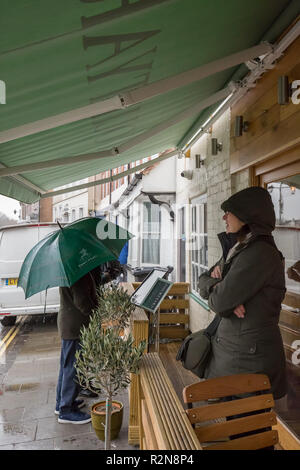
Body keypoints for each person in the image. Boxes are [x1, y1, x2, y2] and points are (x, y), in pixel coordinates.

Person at [198, 186, 287, 402]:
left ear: (248, 216)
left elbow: (219, 302)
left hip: (248, 361)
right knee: (236, 429)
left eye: (230, 212)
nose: (224, 217)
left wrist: (222, 292)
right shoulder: (238, 248)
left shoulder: (259, 253)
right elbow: (202, 281)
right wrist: (217, 284)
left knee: (249, 428)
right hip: (233, 357)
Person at [55, 271, 97, 424]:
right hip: (75, 326)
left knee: (66, 366)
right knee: (73, 367)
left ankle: (61, 404)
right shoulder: (78, 272)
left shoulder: (68, 269)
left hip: (68, 323)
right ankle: (66, 410)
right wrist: (96, 312)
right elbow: (82, 302)